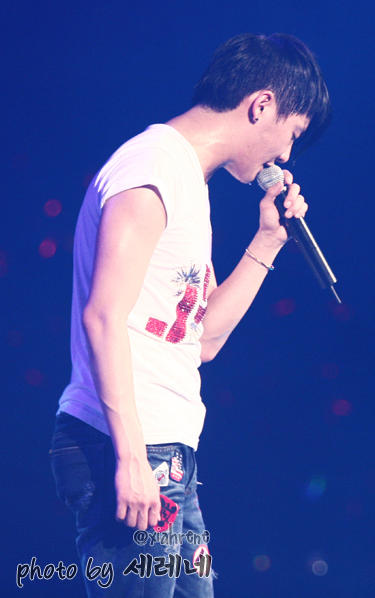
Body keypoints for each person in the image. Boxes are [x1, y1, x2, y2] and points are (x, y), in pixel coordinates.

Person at [50, 33, 331, 597]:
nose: (286, 157)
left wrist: (268, 241)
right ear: (262, 105)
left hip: (168, 448)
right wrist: (131, 457)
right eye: (293, 134)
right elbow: (103, 316)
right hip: (128, 444)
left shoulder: (188, 182)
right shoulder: (153, 165)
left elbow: (200, 340)